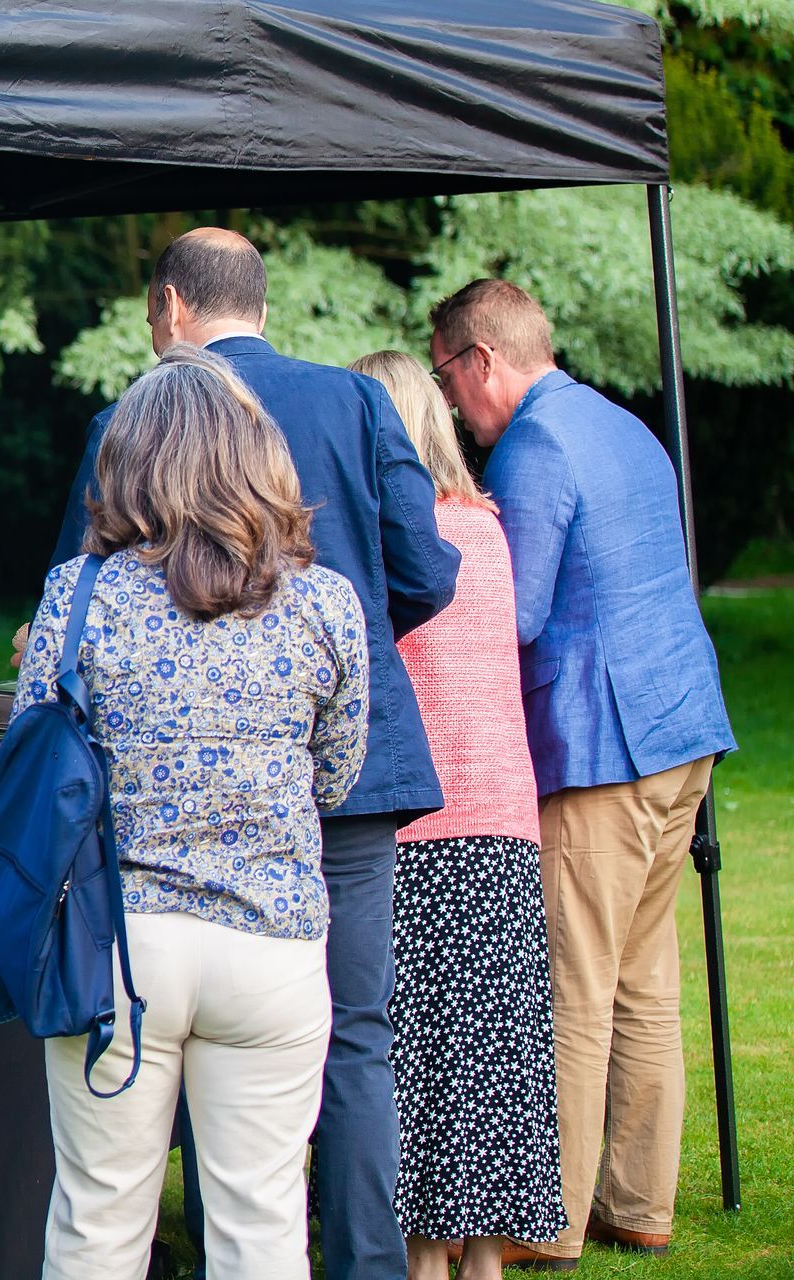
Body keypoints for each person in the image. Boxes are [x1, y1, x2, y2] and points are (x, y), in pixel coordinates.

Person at [51, 228, 460, 1280]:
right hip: (328, 800)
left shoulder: (120, 444)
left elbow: (56, 682)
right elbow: (422, 571)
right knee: (353, 1043)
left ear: (174, 307)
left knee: (103, 1201)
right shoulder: (359, 410)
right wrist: (319, 665)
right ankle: (369, 1264)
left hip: (140, 892)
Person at [18, 345, 368, 1279]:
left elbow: (32, 760)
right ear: (260, 455)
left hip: (119, 945)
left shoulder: (78, 597)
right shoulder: (326, 605)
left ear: (129, 463)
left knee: (99, 1222)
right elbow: (334, 781)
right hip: (276, 940)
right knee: (263, 1224)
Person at [428, 280, 735, 1267]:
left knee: (572, 978)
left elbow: (510, 612)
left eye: (445, 376)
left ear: (480, 359)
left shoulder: (531, 447)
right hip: (683, 727)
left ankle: (542, 1220)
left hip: (603, 745)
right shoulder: (624, 425)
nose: (452, 407)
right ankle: (639, 1203)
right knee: (645, 975)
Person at [349, 350, 566, 1280]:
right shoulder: (486, 529)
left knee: (421, 1057)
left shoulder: (393, 543)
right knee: (497, 1059)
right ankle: (483, 1259)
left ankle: (423, 1255)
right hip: (506, 818)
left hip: (424, 825)